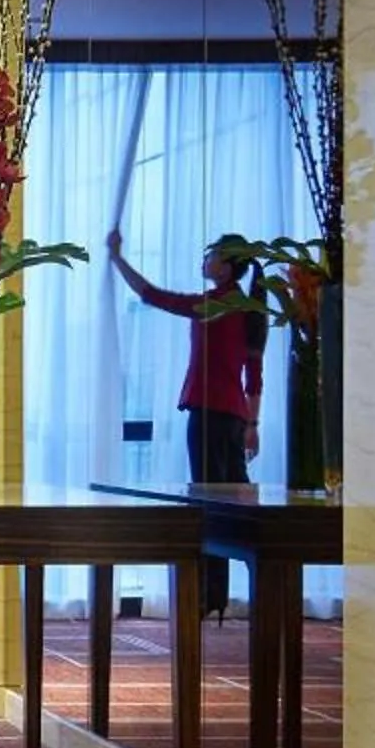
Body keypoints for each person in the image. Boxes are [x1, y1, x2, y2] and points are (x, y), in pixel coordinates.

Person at [108, 229, 266, 616]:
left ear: (228, 267)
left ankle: (210, 596)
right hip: (233, 418)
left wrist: (117, 258)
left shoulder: (214, 306)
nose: (205, 261)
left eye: (211, 255)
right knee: (227, 506)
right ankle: (217, 595)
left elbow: (153, 295)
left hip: (209, 415)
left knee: (209, 506)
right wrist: (252, 424)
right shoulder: (249, 309)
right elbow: (254, 375)